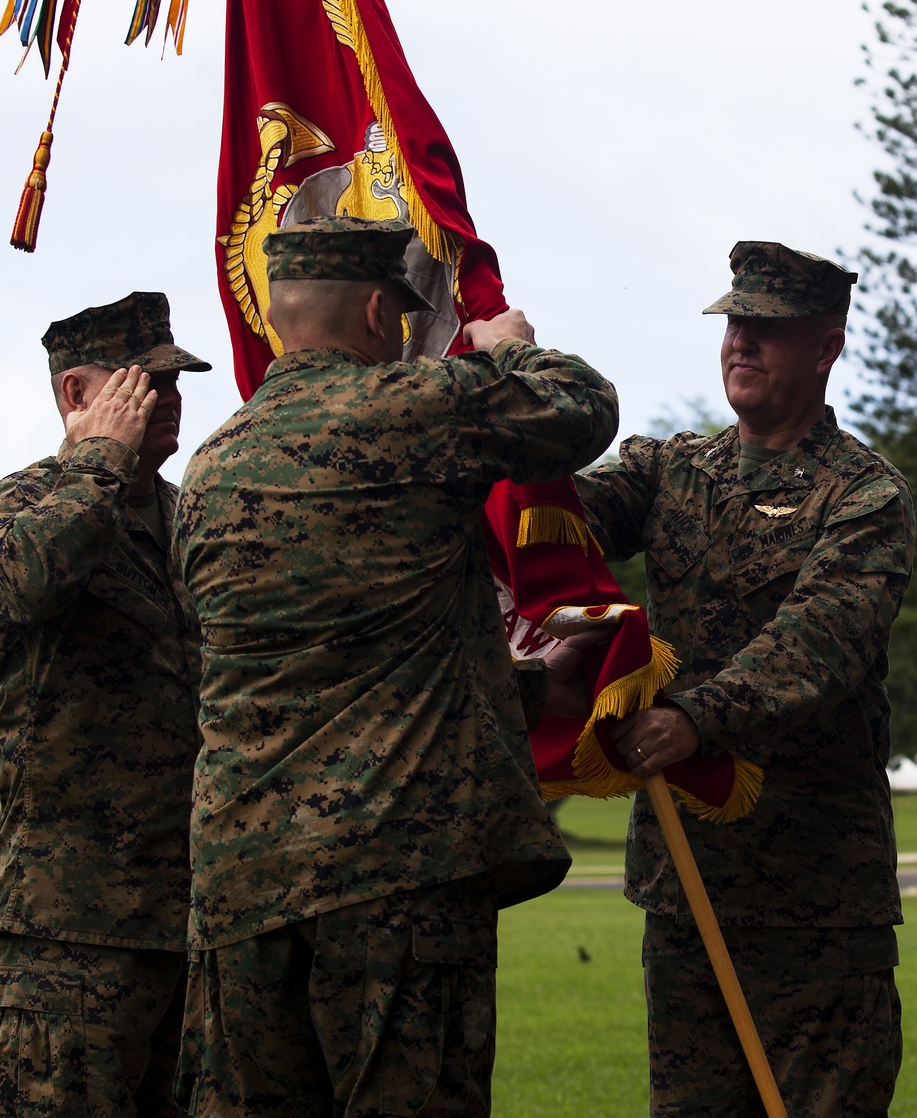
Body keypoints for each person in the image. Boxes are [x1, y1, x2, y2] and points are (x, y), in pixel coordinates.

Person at [172, 215, 619, 1117]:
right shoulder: (411, 408)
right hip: (393, 879)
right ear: (381, 312)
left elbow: (328, 662)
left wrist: (532, 689)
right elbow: (582, 409)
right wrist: (507, 349)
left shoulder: (211, 468)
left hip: (240, 886)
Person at [576, 242, 916, 1118]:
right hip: (689, 884)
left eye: (767, 329)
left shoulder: (864, 495)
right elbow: (553, 523)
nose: (741, 345)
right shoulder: (670, 470)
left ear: (827, 346)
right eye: (734, 324)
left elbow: (824, 637)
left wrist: (699, 716)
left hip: (816, 895)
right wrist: (502, 392)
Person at [0, 291, 211, 1117]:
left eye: (178, 384)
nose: (170, 401)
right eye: (147, 384)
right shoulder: (23, 504)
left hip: (192, 924)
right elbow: (26, 583)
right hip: (72, 932)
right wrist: (99, 460)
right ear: (77, 395)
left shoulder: (190, 520)